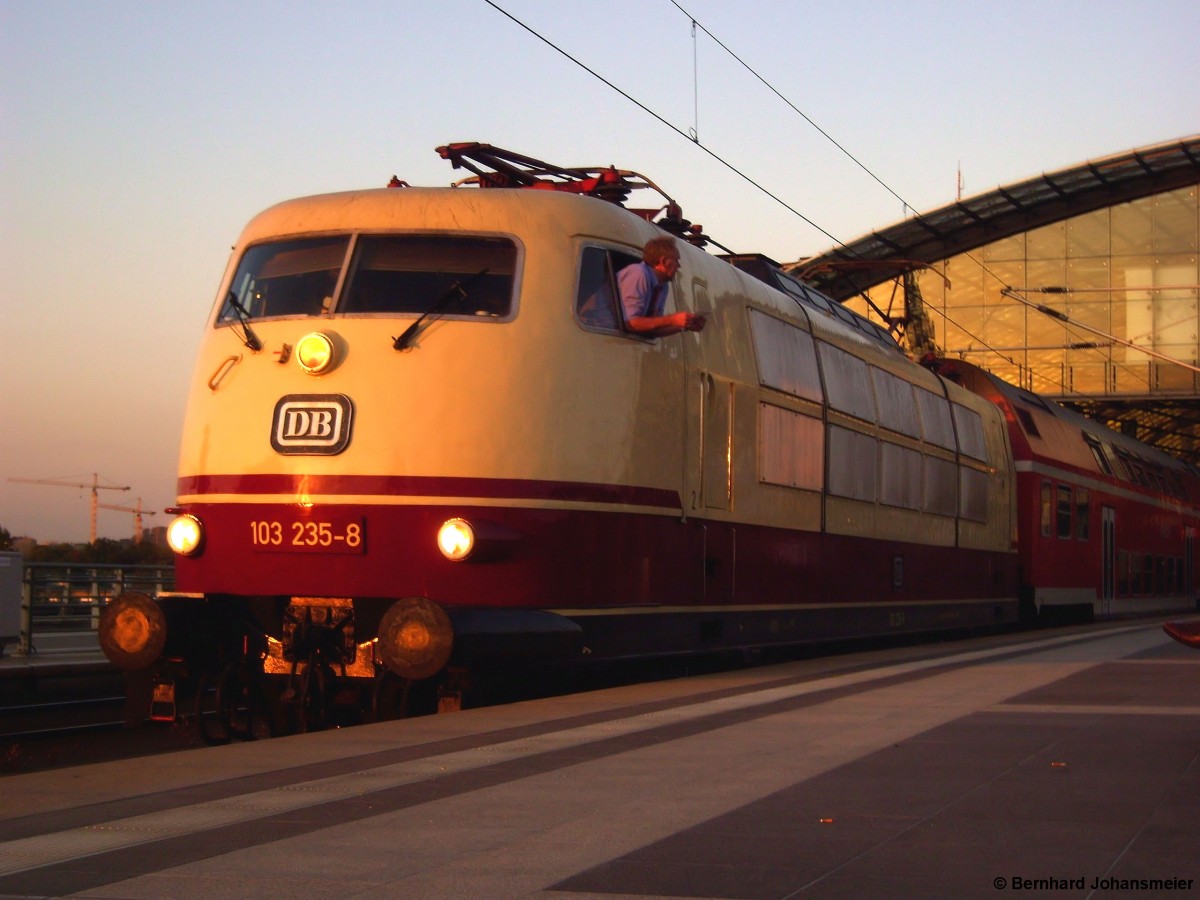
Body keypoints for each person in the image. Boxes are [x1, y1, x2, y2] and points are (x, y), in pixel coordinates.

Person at [617, 236, 706, 336]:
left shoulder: (663, 285)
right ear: (663, 261)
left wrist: (685, 325)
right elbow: (631, 324)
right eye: (676, 260)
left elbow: (653, 330)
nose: (679, 266)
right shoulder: (639, 274)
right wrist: (672, 319)